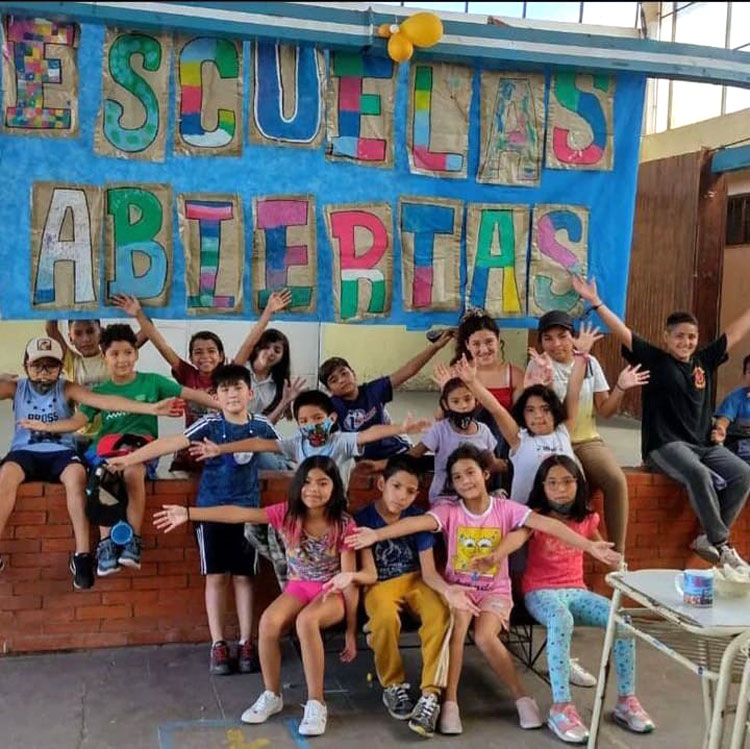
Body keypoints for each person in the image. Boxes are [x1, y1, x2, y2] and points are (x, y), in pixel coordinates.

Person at [347, 444, 621, 736]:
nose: (466, 481)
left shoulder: (505, 509)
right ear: (452, 484)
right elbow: (414, 523)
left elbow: (547, 525)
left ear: (486, 474)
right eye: (458, 477)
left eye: (470, 473)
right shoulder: (449, 511)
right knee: (457, 625)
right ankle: (449, 703)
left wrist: (590, 545)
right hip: (459, 589)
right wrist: (376, 534)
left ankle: (521, 696)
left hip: (495, 591)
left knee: (485, 636)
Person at [153, 456, 359, 738]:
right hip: (299, 587)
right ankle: (272, 695)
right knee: (268, 623)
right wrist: (190, 513)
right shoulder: (287, 514)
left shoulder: (344, 524)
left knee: (306, 622)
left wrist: (351, 631)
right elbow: (237, 513)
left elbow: (350, 581)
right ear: (298, 485)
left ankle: (316, 702)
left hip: (332, 591)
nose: (314, 489)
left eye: (323, 483)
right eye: (308, 482)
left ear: (335, 488)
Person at [108, 364, 279, 675]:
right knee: (215, 577)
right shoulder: (208, 424)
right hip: (209, 510)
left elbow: (279, 447)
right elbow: (170, 444)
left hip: (248, 511)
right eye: (224, 389)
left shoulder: (262, 425)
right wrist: (128, 459)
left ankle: (245, 641)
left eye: (238, 387)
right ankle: (218, 644)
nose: (232, 394)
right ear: (215, 395)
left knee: (244, 577)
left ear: (250, 393)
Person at [572, 274, 750, 568]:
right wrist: (596, 302)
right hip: (665, 446)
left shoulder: (703, 361)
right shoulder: (655, 360)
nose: (686, 341)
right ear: (667, 337)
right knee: (699, 474)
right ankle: (721, 542)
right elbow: (623, 332)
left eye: (691, 336)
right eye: (679, 336)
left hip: (703, 445)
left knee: (743, 473)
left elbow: (735, 333)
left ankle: (708, 536)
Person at [23, 324, 219, 576]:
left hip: (141, 450)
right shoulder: (99, 392)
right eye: (114, 354)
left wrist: (227, 406)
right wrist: (45, 426)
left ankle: (132, 542)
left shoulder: (153, 382)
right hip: (106, 450)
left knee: (133, 471)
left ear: (136, 354)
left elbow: (194, 394)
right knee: (102, 473)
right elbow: (76, 422)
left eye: (127, 352)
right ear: (104, 356)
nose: (122, 359)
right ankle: (106, 544)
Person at [491, 455, 654, 743]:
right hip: (540, 592)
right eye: (552, 482)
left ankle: (626, 700)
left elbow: (599, 547)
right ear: (542, 486)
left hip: (576, 590)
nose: (560, 489)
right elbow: (518, 538)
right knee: (561, 619)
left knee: (623, 620)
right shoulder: (536, 516)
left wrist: (615, 562)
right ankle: (561, 706)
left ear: (579, 483)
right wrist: (497, 554)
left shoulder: (587, 517)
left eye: (567, 481)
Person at [2, 337, 178, 588]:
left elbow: (106, 401)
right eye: (37, 365)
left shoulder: (67, 388)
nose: (43, 372)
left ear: (61, 366)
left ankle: (82, 555)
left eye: (50, 366)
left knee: (77, 477)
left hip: (61, 451)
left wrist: (150, 409)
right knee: (5, 476)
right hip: (24, 451)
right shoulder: (16, 388)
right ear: (25, 365)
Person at [329, 454, 452, 738]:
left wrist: (447, 591)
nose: (402, 496)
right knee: (383, 617)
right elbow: (370, 572)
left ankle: (430, 695)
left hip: (417, 579)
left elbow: (429, 571)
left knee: (439, 614)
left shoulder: (417, 518)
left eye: (410, 491)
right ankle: (393, 685)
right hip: (380, 582)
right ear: (382, 483)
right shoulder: (362, 518)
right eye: (397, 486)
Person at [111, 294, 303, 471]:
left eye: (211, 351)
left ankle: (283, 465)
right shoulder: (187, 374)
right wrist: (138, 314)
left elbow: (249, 344)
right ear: (192, 358)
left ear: (221, 356)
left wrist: (268, 311)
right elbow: (162, 346)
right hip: (190, 451)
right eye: (198, 352)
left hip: (223, 451)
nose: (205, 357)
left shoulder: (228, 375)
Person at [529, 310, 650, 552]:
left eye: (562, 336)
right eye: (548, 338)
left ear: (572, 337)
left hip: (587, 439)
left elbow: (605, 410)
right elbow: (546, 416)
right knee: (576, 484)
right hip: (556, 441)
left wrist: (620, 387)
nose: (556, 344)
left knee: (616, 480)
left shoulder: (590, 363)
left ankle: (619, 556)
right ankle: (575, 553)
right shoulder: (539, 364)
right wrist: (545, 383)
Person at [189, 389, 431, 489]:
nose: (311, 425)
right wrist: (220, 449)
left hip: (335, 512)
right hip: (304, 509)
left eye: (317, 418)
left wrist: (401, 427)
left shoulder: (340, 441)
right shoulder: (296, 444)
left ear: (332, 418)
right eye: (303, 421)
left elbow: (370, 433)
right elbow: (257, 444)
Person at [318, 329, 453, 464]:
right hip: (361, 461)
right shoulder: (331, 406)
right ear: (329, 390)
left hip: (394, 451)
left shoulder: (373, 390)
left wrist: (435, 346)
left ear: (354, 374)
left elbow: (409, 370)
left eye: (344, 373)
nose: (341, 380)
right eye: (333, 380)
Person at [409, 365, 503, 503]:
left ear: (476, 400)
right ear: (446, 405)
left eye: (467, 399)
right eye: (455, 401)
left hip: (475, 498)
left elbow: (492, 463)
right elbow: (413, 454)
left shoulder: (484, 431)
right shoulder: (440, 430)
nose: (463, 406)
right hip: (444, 499)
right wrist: (382, 465)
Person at [45, 318, 145, 447]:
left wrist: (136, 312)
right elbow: (51, 330)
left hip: (112, 432)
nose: (86, 339)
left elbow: (146, 332)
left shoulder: (114, 357)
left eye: (91, 331)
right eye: (78, 334)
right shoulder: (72, 361)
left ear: (100, 333)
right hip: (82, 433)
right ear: (70, 338)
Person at [714, 353, 750, 463]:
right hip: (742, 447)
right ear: (744, 375)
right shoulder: (735, 397)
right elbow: (724, 419)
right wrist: (721, 428)